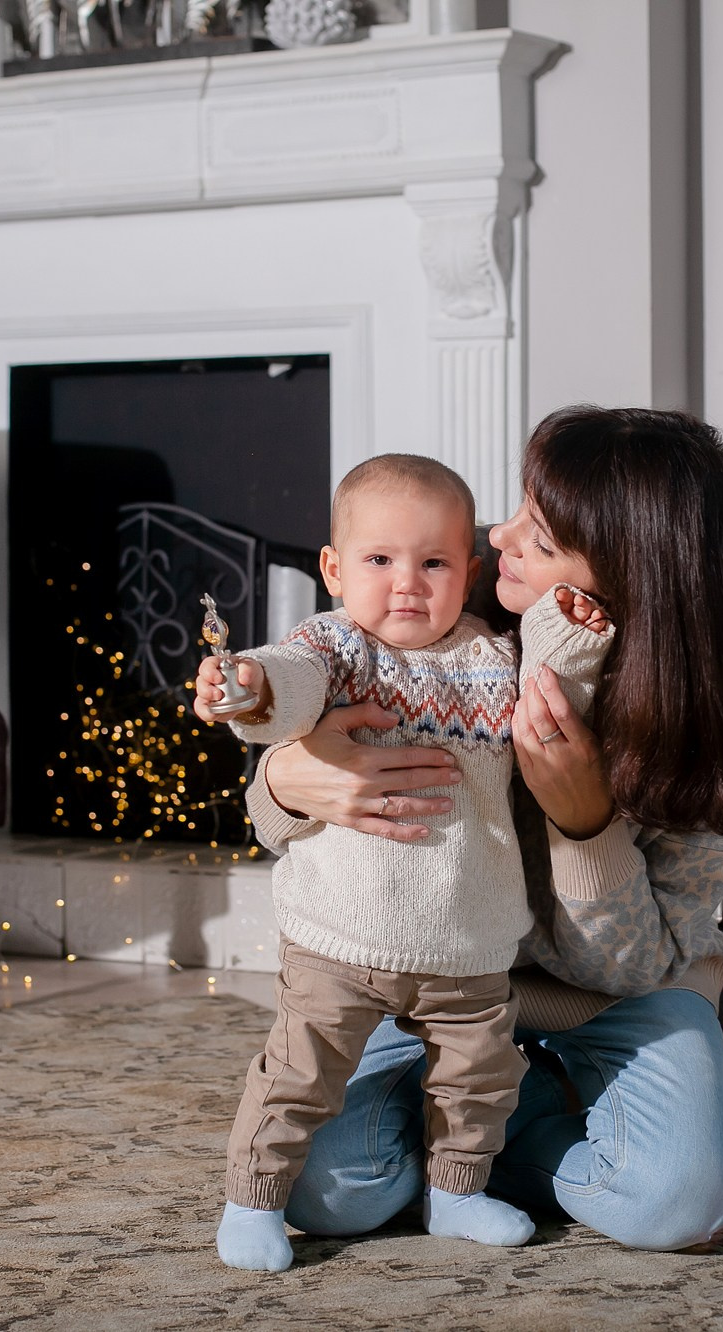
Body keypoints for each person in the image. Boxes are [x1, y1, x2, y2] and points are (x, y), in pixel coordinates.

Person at [246, 406, 723, 1252]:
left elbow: (633, 965)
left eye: (537, 538)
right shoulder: (449, 622)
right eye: (519, 509)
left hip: (613, 998)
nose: (496, 537)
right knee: (329, 1192)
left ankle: (509, 1126)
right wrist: (290, 779)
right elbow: (300, 712)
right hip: (435, 973)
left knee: (672, 1206)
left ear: (623, 580)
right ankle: (485, 1116)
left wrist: (583, 822)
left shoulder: (700, 727)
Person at [194, 452, 613, 1272]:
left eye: (433, 563)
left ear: (470, 572)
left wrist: (574, 631)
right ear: (334, 567)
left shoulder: (491, 659)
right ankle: (252, 1201)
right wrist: (246, 685)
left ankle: (456, 1193)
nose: (407, 583)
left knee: (478, 1078)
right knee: (298, 1077)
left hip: (467, 944)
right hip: (340, 939)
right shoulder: (339, 645)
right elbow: (291, 678)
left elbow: (557, 688)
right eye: (380, 560)